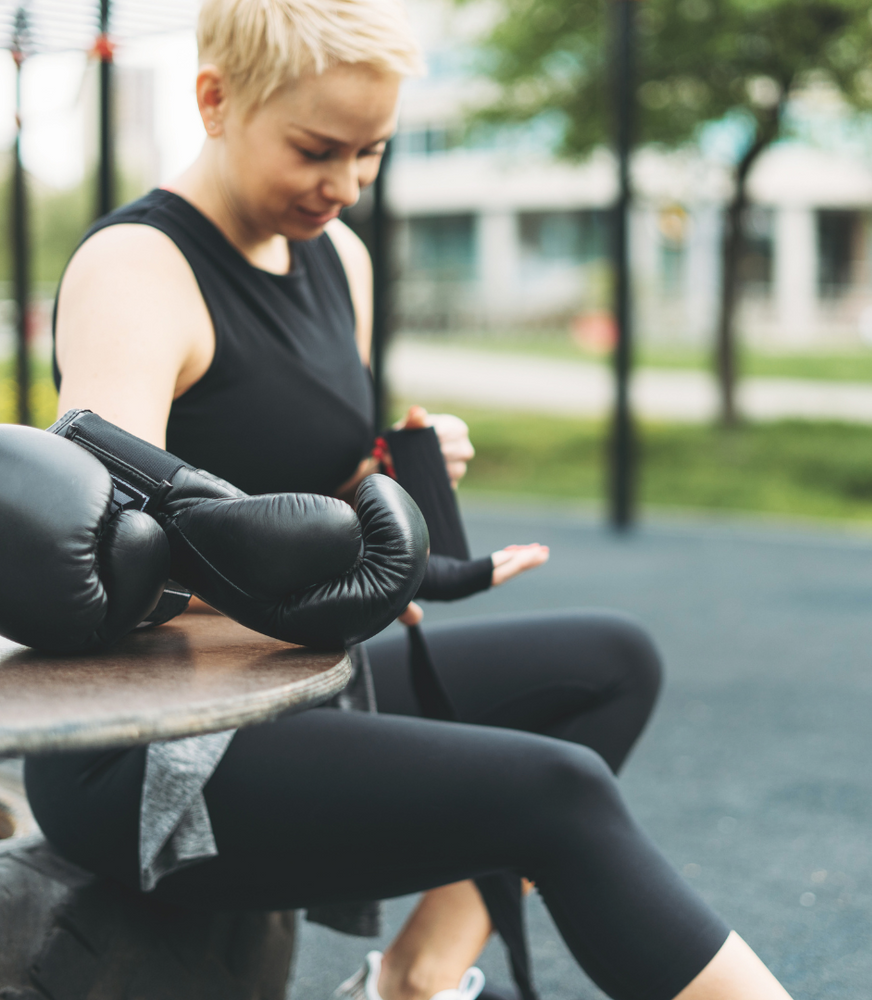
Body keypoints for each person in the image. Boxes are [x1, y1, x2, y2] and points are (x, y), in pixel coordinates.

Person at [24, 1, 796, 998]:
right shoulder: (138, 270)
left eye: (371, 152)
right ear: (215, 100)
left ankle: (412, 979)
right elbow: (94, 563)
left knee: (611, 664)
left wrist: (385, 482)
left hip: (293, 681)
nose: (343, 186)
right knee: (553, 790)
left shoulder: (337, 256)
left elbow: (304, 474)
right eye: (316, 150)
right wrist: (335, 564)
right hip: (151, 752)